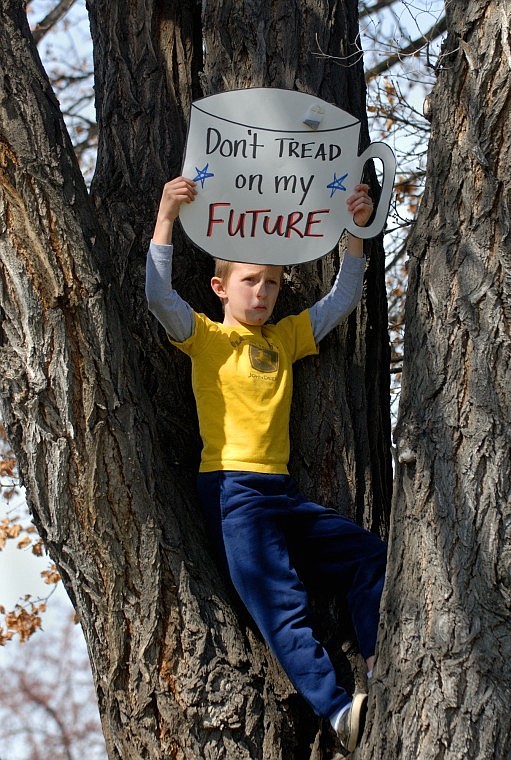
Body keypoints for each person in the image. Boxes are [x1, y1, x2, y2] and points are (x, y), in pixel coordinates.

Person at [146, 176, 387, 753]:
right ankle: (337, 710)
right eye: (250, 281)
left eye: (273, 284)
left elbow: (343, 298)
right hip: (233, 491)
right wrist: (166, 217)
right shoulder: (205, 338)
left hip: (281, 493)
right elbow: (158, 296)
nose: (263, 293)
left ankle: (382, 655)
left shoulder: (284, 338)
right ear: (220, 287)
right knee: (280, 601)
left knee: (366, 552)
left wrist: (355, 229)